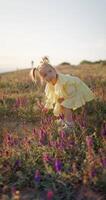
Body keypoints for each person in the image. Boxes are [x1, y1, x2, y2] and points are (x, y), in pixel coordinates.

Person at [30, 57, 95, 130]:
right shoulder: (49, 85)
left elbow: (71, 91)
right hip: (66, 94)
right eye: (45, 75)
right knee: (60, 105)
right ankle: (64, 119)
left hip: (74, 90)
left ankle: (70, 125)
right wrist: (47, 106)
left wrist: (65, 99)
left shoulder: (64, 80)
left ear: (54, 70)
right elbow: (50, 97)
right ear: (43, 79)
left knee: (66, 105)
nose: (49, 75)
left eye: (50, 71)